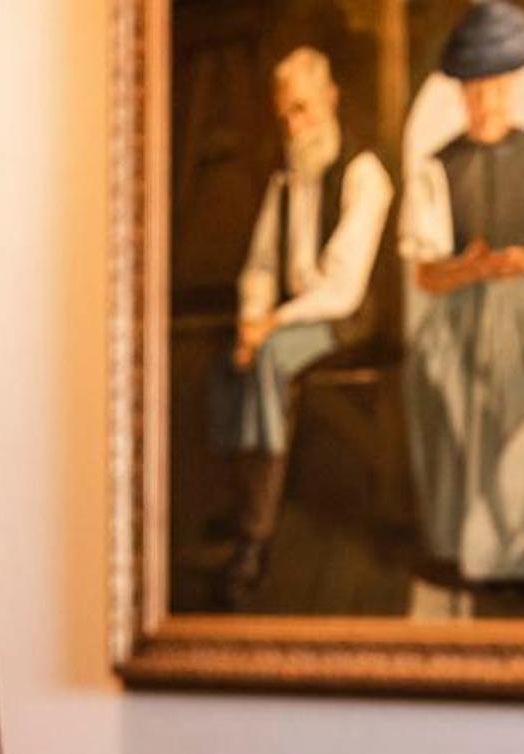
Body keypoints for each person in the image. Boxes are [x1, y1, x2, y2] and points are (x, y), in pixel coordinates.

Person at [398, 0, 524, 586]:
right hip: (460, 314)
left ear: (512, 87)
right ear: (462, 94)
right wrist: (467, 269)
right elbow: (426, 275)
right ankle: (470, 547)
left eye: (497, 88)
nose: (487, 102)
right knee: (445, 376)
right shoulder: (437, 168)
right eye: (476, 91)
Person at [210, 46, 395, 601]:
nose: (294, 125)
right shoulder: (286, 179)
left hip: (346, 319)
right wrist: (251, 318)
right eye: (285, 114)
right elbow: (262, 264)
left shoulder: (364, 174)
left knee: (269, 361)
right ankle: (241, 499)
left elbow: (342, 288)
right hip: (290, 316)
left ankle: (256, 536)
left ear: (331, 99)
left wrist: (270, 327)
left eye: (303, 109)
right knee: (228, 362)